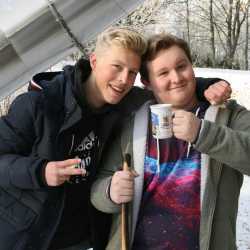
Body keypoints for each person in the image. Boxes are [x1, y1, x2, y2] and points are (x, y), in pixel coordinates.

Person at [0, 26, 229, 250]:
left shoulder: (124, 101)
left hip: (81, 238)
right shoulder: (38, 105)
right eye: (117, 67)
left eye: (131, 72)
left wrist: (206, 86)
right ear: (94, 61)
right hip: (29, 235)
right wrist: (40, 172)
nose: (123, 80)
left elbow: (167, 87)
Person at [91, 33, 250, 250]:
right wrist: (110, 191)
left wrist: (204, 134)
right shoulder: (131, 123)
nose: (176, 78)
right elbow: (98, 189)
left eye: (181, 66)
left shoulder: (229, 116)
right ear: (147, 82)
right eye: (163, 73)